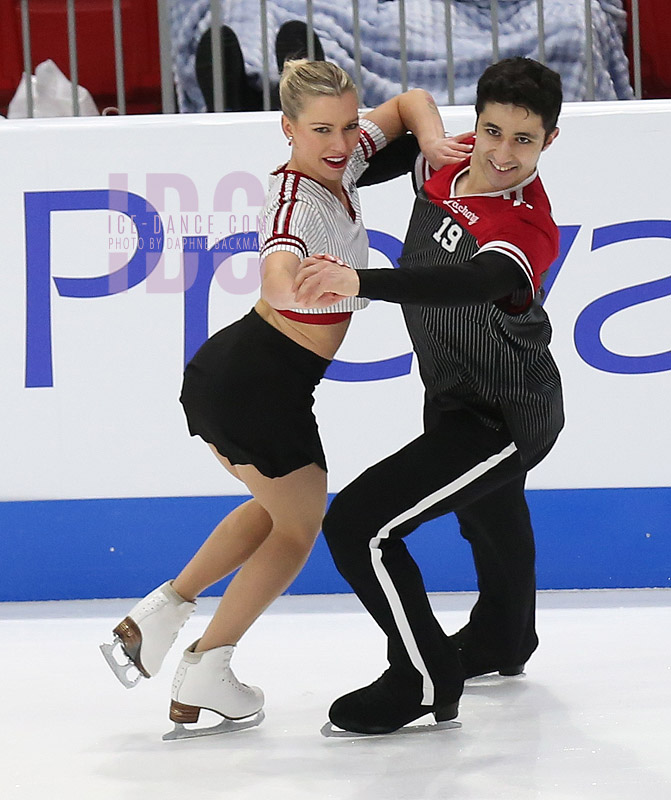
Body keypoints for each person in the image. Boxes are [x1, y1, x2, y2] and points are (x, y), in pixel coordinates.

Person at [100, 59, 472, 739]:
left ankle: (158, 616)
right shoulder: (298, 199)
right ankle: (207, 664)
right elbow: (276, 265)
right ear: (287, 130)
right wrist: (293, 286)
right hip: (258, 388)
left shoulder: (346, 156)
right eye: (320, 129)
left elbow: (415, 97)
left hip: (238, 377)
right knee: (299, 530)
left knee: (276, 513)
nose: (339, 141)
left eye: (347, 123)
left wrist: (433, 139)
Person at [294, 56, 564, 735]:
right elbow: (368, 161)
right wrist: (328, 167)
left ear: (548, 142)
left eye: (523, 140)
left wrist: (360, 281)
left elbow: (469, 284)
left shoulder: (523, 227)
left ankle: (422, 676)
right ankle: (505, 637)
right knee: (486, 514)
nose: (503, 154)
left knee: (360, 527)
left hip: (503, 413)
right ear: (476, 124)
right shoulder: (451, 161)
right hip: (450, 389)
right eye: (493, 131)